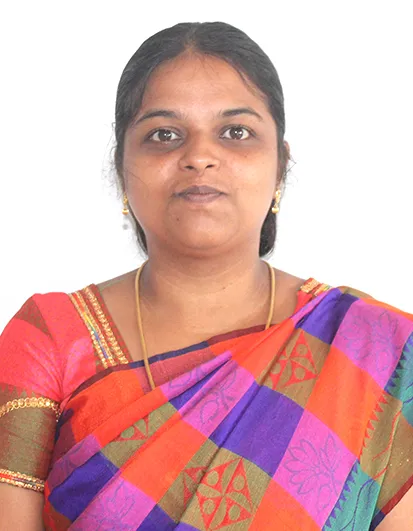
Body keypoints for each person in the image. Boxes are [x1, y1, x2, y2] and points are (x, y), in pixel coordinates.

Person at [0, 21, 412, 531]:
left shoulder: (378, 349)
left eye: (235, 132)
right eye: (163, 134)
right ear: (122, 168)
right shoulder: (51, 338)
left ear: (280, 167)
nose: (198, 156)